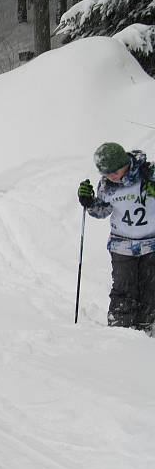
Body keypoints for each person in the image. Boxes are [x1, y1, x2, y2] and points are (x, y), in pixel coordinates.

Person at [78, 142, 155, 333]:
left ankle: (149, 326)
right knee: (124, 288)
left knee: (150, 288)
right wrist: (89, 203)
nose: (111, 175)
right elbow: (102, 211)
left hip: (151, 244)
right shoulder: (106, 185)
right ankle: (121, 329)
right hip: (122, 245)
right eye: (105, 172)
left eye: (114, 170)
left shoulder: (149, 173)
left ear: (125, 162)